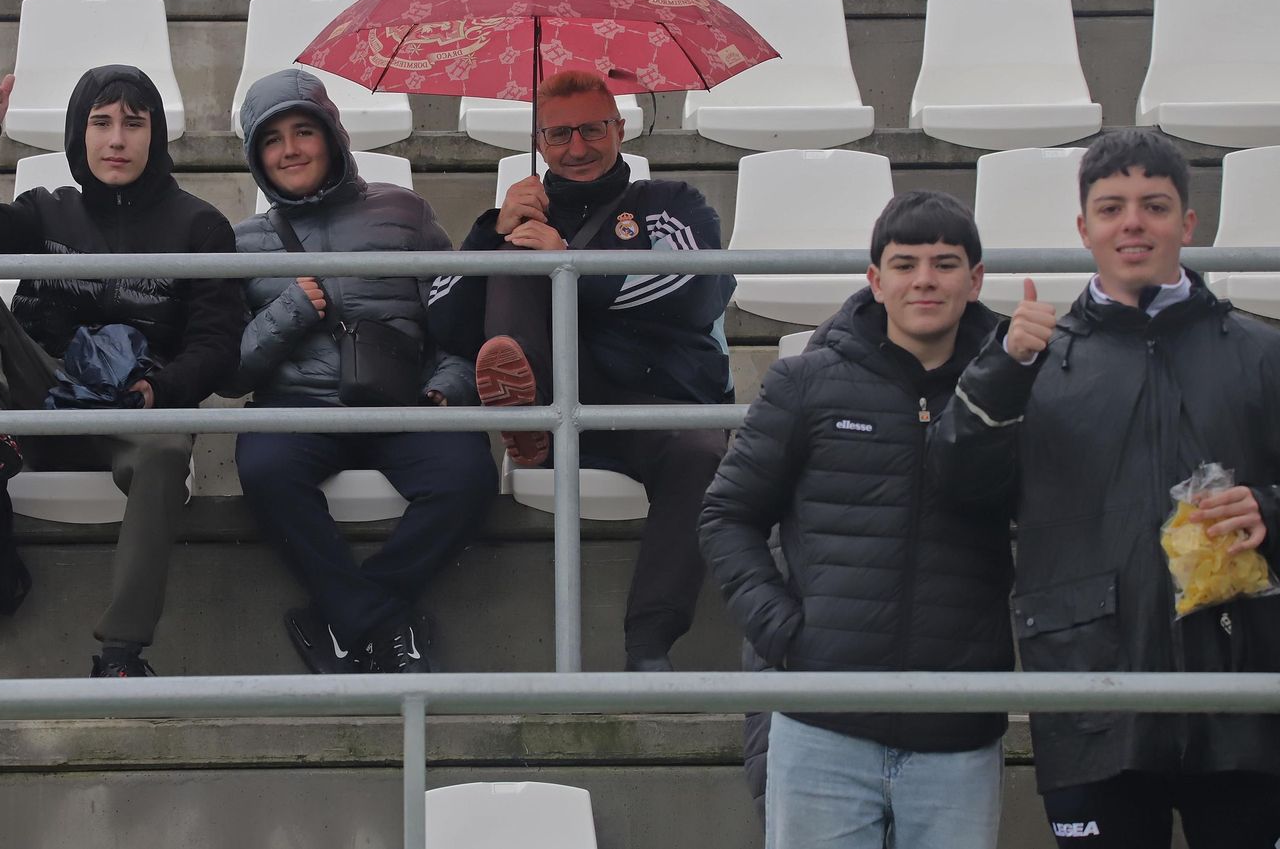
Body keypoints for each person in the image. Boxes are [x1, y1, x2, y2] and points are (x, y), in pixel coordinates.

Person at [937, 129, 1280, 849]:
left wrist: (1269, 511)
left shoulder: (1260, 351)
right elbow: (958, 485)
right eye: (1112, 206)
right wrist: (1000, 368)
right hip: (1091, 691)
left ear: (1188, 224)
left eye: (1154, 205)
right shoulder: (1034, 357)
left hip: (1245, 689)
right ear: (1083, 227)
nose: (1133, 222)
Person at [698, 191, 1014, 849]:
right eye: (904, 263)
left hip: (957, 731)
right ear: (875, 279)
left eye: (945, 262)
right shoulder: (806, 383)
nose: (924, 278)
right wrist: (780, 627)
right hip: (823, 725)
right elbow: (728, 513)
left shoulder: (1016, 388)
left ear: (976, 278)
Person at [0, 64, 245, 678]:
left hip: (133, 402)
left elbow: (217, 341)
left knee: (163, 455)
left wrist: (165, 388)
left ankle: (122, 654)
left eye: (134, 123)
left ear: (155, 135)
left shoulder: (200, 226)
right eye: (101, 123)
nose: (117, 140)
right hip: (41, 386)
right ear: (79, 134)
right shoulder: (46, 210)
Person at [426, 69, 733, 671]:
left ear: (620, 129)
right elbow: (443, 319)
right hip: (563, 409)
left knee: (703, 452)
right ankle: (530, 412)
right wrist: (495, 235)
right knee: (515, 266)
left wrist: (571, 267)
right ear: (539, 141)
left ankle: (650, 643)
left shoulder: (671, 204)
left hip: (657, 404)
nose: (577, 148)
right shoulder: (516, 216)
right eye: (560, 134)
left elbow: (700, 290)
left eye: (593, 130)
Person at [225, 69, 496, 673]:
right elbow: (232, 372)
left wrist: (447, 388)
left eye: (303, 131)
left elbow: (454, 317)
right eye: (272, 140)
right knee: (264, 471)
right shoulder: (240, 244)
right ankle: (384, 622)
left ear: (332, 135)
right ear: (255, 156)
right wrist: (291, 311)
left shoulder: (406, 212)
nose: (291, 150)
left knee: (468, 476)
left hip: (402, 400)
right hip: (296, 408)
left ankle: (340, 616)